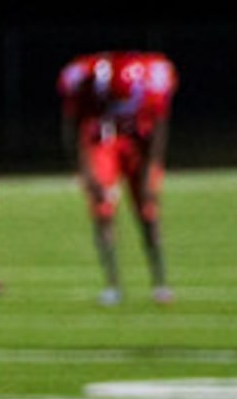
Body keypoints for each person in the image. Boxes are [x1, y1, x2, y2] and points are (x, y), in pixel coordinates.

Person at [57, 49, 177, 306]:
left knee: (148, 211)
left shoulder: (152, 83)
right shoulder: (83, 83)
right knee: (102, 210)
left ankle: (160, 282)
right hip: (103, 142)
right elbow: (75, 130)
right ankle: (112, 285)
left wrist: (149, 173)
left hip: (137, 144)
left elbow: (158, 130)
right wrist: (86, 174)